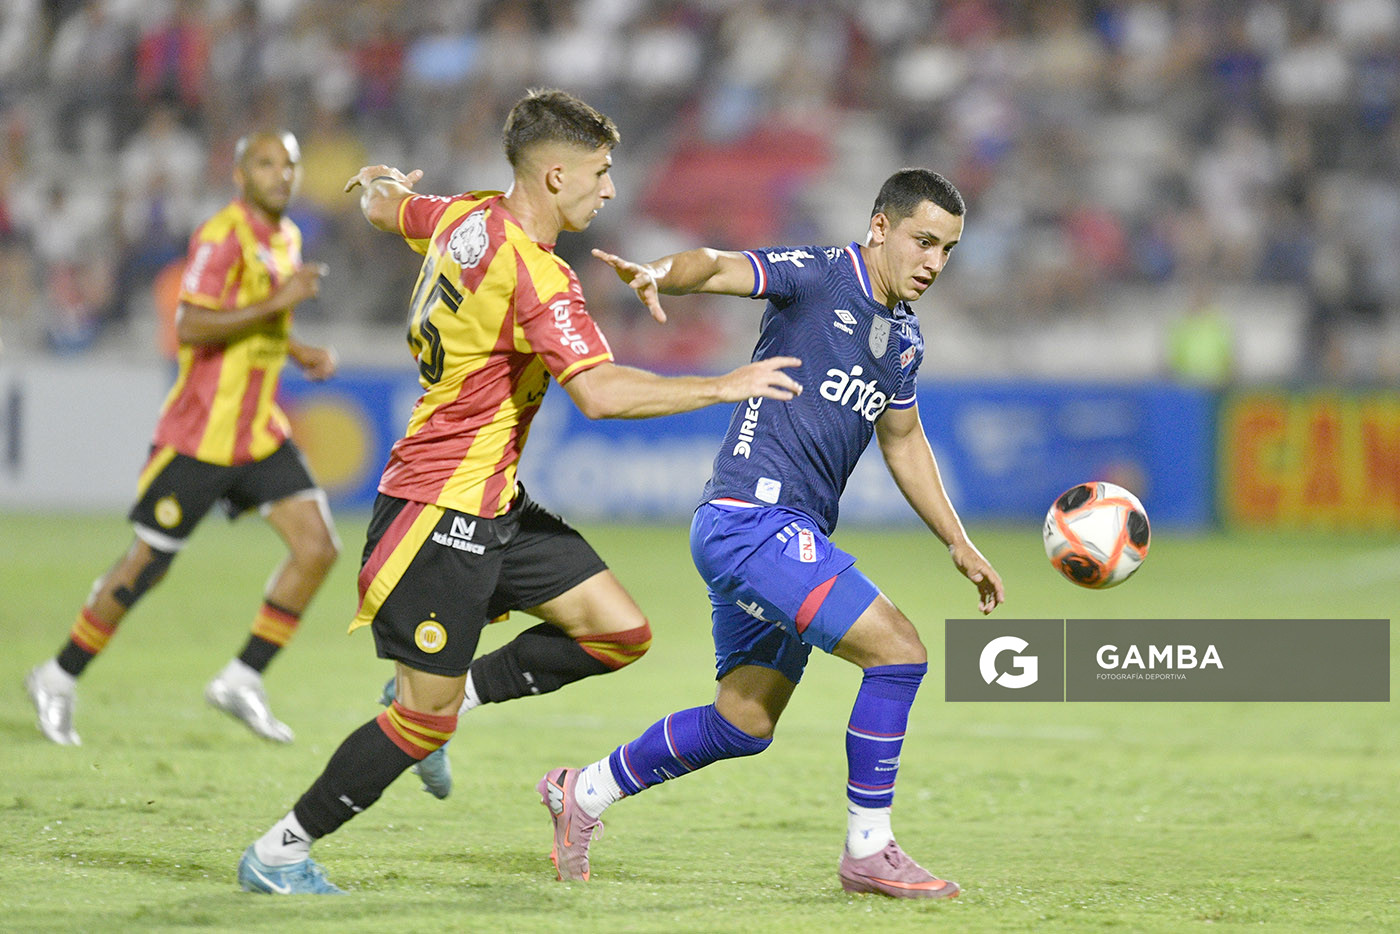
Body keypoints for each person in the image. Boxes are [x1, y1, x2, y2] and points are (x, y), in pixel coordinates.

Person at [236, 88, 803, 895]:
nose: (610, 189)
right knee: (413, 719)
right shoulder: (538, 275)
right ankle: (281, 851)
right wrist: (725, 385)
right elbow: (601, 393)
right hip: (438, 509)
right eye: (601, 173)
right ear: (557, 174)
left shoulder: (467, 215)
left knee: (618, 632)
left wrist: (373, 182)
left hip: (494, 500)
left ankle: (453, 702)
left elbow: (388, 206)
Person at [536, 168, 1005, 899]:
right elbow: (720, 266)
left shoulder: (905, 340)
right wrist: (663, 271)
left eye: (947, 250)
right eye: (922, 242)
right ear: (880, 226)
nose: (933, 263)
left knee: (743, 722)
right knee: (900, 651)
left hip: (771, 532)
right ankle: (868, 851)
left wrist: (957, 540)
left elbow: (904, 439)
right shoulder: (820, 276)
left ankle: (582, 793)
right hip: (751, 520)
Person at [25, 131, 341, 747]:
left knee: (318, 548)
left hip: (258, 433)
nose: (282, 174)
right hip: (199, 437)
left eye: (290, 164)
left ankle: (242, 677)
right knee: (146, 569)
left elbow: (260, 321)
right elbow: (190, 325)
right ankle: (57, 678)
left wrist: (296, 349)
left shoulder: (287, 237)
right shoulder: (221, 234)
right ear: (240, 174)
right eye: (266, 163)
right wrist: (280, 299)